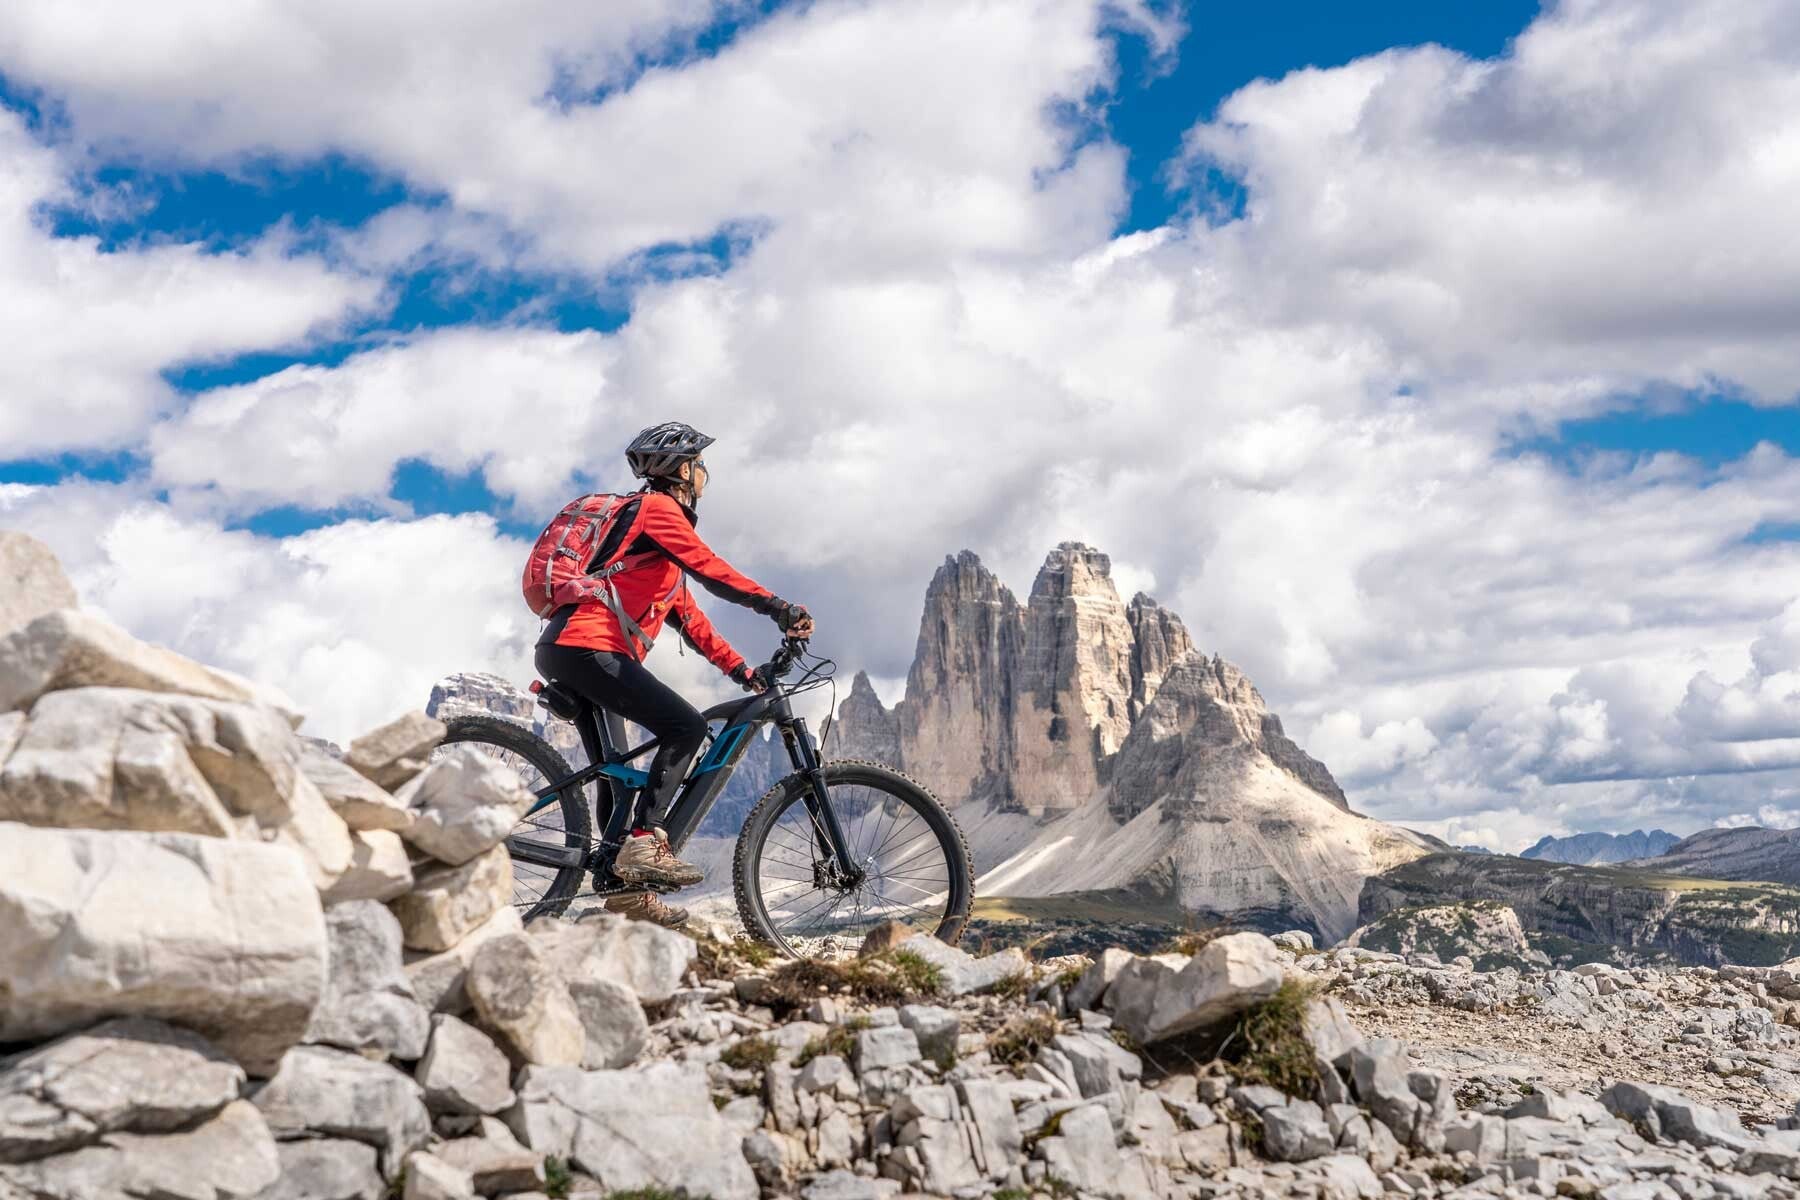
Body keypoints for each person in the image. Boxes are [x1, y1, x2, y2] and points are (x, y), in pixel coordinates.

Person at [534, 421, 814, 928]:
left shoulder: (653, 558)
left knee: (616, 778)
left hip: (569, 648)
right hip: (586, 646)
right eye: (700, 464)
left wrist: (742, 671)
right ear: (682, 471)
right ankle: (646, 842)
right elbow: (711, 569)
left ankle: (625, 890)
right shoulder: (658, 511)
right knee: (685, 726)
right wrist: (778, 607)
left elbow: (691, 620)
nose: (705, 473)